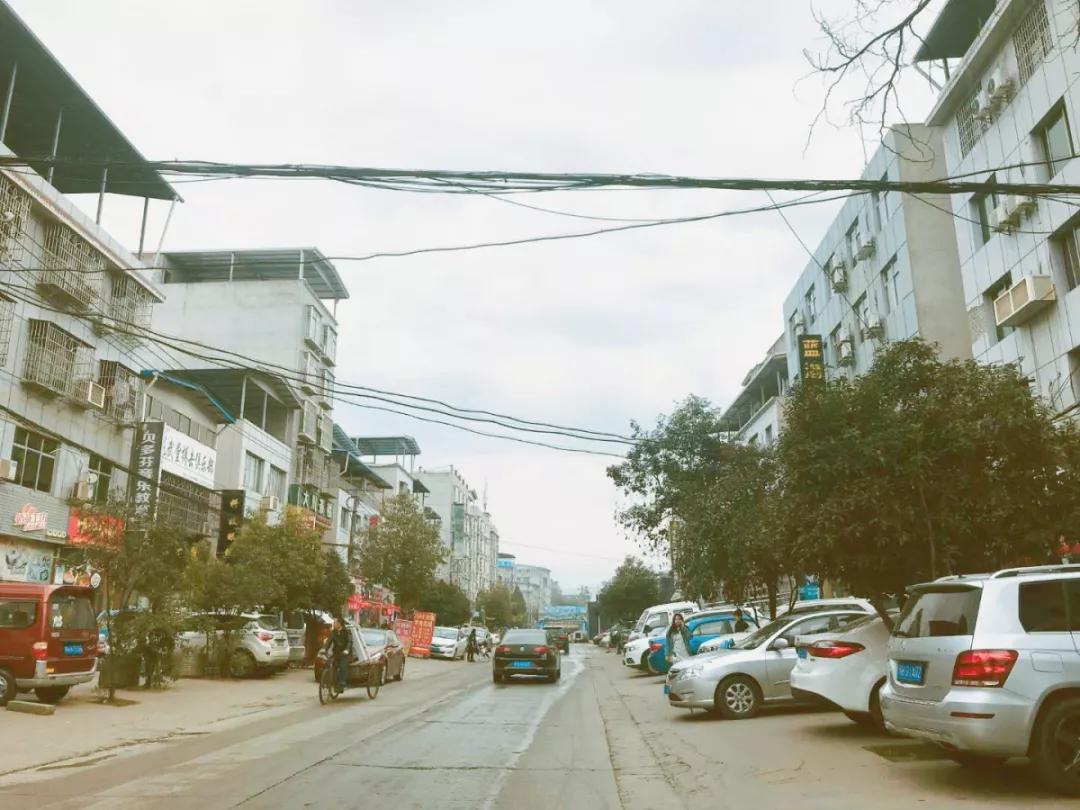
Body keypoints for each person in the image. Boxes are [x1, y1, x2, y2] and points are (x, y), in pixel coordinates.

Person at [324, 617, 353, 692]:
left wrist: (347, 650)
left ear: (340, 624)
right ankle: (329, 680)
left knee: (343, 666)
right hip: (336, 653)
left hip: (345, 653)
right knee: (328, 663)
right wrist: (325, 649)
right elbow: (329, 641)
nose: (334, 624)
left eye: (335, 623)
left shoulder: (347, 632)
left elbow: (349, 642)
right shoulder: (333, 632)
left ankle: (341, 683)